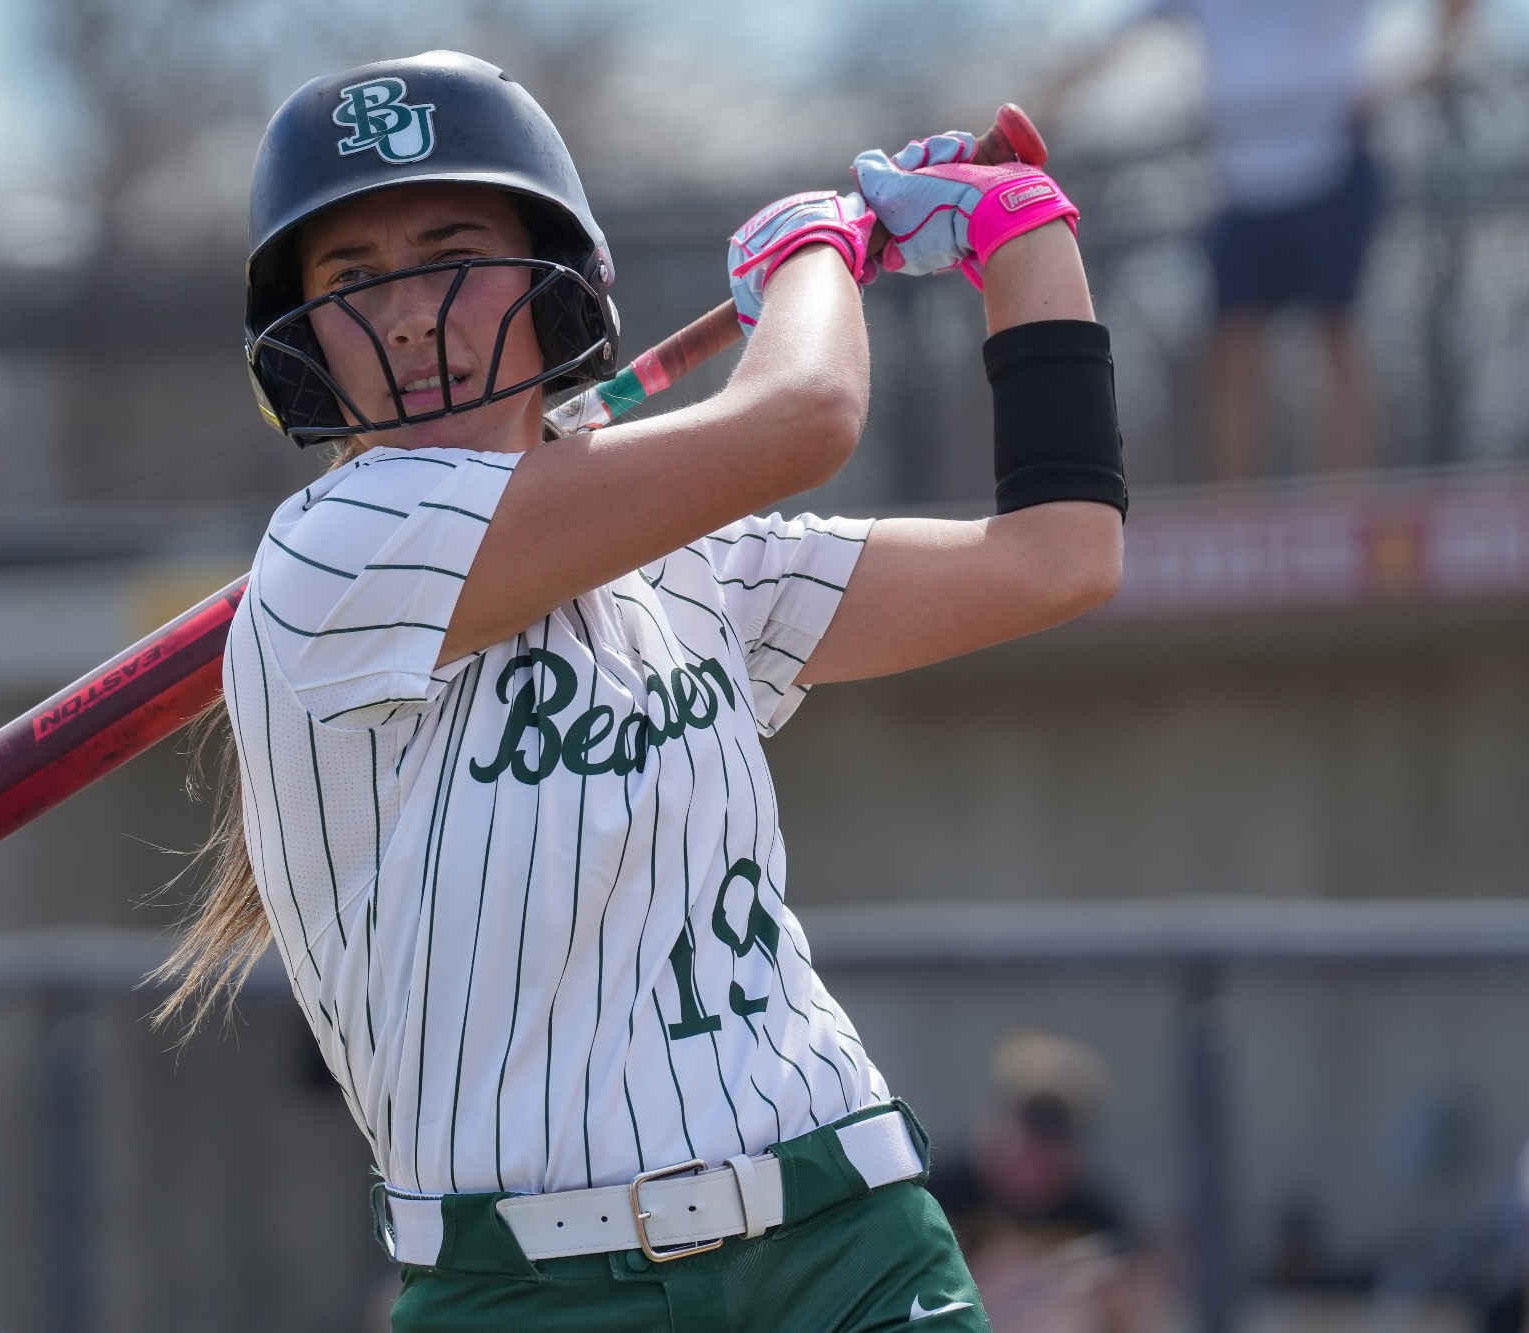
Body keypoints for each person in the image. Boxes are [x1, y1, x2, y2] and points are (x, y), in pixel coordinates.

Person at [155, 50, 1126, 1331]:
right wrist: (807, 251)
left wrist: (1022, 238)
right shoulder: (330, 554)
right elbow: (805, 413)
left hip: (847, 1234)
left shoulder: (687, 569)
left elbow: (1058, 556)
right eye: (352, 278)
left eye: (449, 250)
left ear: (548, 277)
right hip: (528, 1288)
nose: (404, 312)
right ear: (304, 336)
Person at [1053, 0, 1473, 480]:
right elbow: (1108, 42)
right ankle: (1238, 515)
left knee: (1338, 334)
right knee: (1231, 347)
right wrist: (1039, 103)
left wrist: (1428, 63)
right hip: (1244, 187)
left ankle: (1346, 500)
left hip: (1333, 168)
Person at [928, 1032, 1163, 1333]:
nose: (1034, 1166)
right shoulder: (939, 1195)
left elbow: (1136, 1289)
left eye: (1050, 1152)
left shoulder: (1092, 1212)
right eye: (1026, 1148)